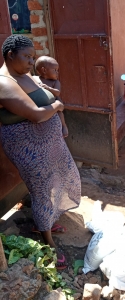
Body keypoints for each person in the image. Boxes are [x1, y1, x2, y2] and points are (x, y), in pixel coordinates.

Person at [0, 35, 81, 269]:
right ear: (9, 55)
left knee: (59, 179)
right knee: (41, 189)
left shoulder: (25, 76)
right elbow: (35, 114)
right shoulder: (4, 83)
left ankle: (45, 220)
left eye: (32, 57)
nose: (30, 62)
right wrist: (57, 106)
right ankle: (48, 241)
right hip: (27, 147)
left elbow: (45, 95)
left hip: (50, 143)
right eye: (26, 57)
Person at [33, 56, 68, 138]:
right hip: (42, 107)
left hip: (54, 103)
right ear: (44, 70)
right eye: (54, 70)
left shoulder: (55, 82)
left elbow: (57, 93)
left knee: (59, 111)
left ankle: (64, 125)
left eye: (57, 70)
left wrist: (48, 88)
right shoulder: (35, 79)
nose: (57, 73)